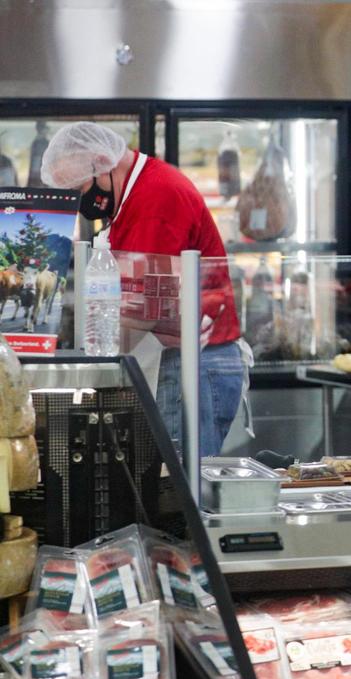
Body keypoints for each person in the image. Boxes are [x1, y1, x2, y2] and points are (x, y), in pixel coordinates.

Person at [41, 122, 247, 457]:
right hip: (177, 357)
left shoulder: (154, 200)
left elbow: (142, 311)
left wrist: (92, 365)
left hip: (196, 365)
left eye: (80, 190)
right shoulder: (134, 194)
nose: (82, 204)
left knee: (178, 485)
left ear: (101, 162)